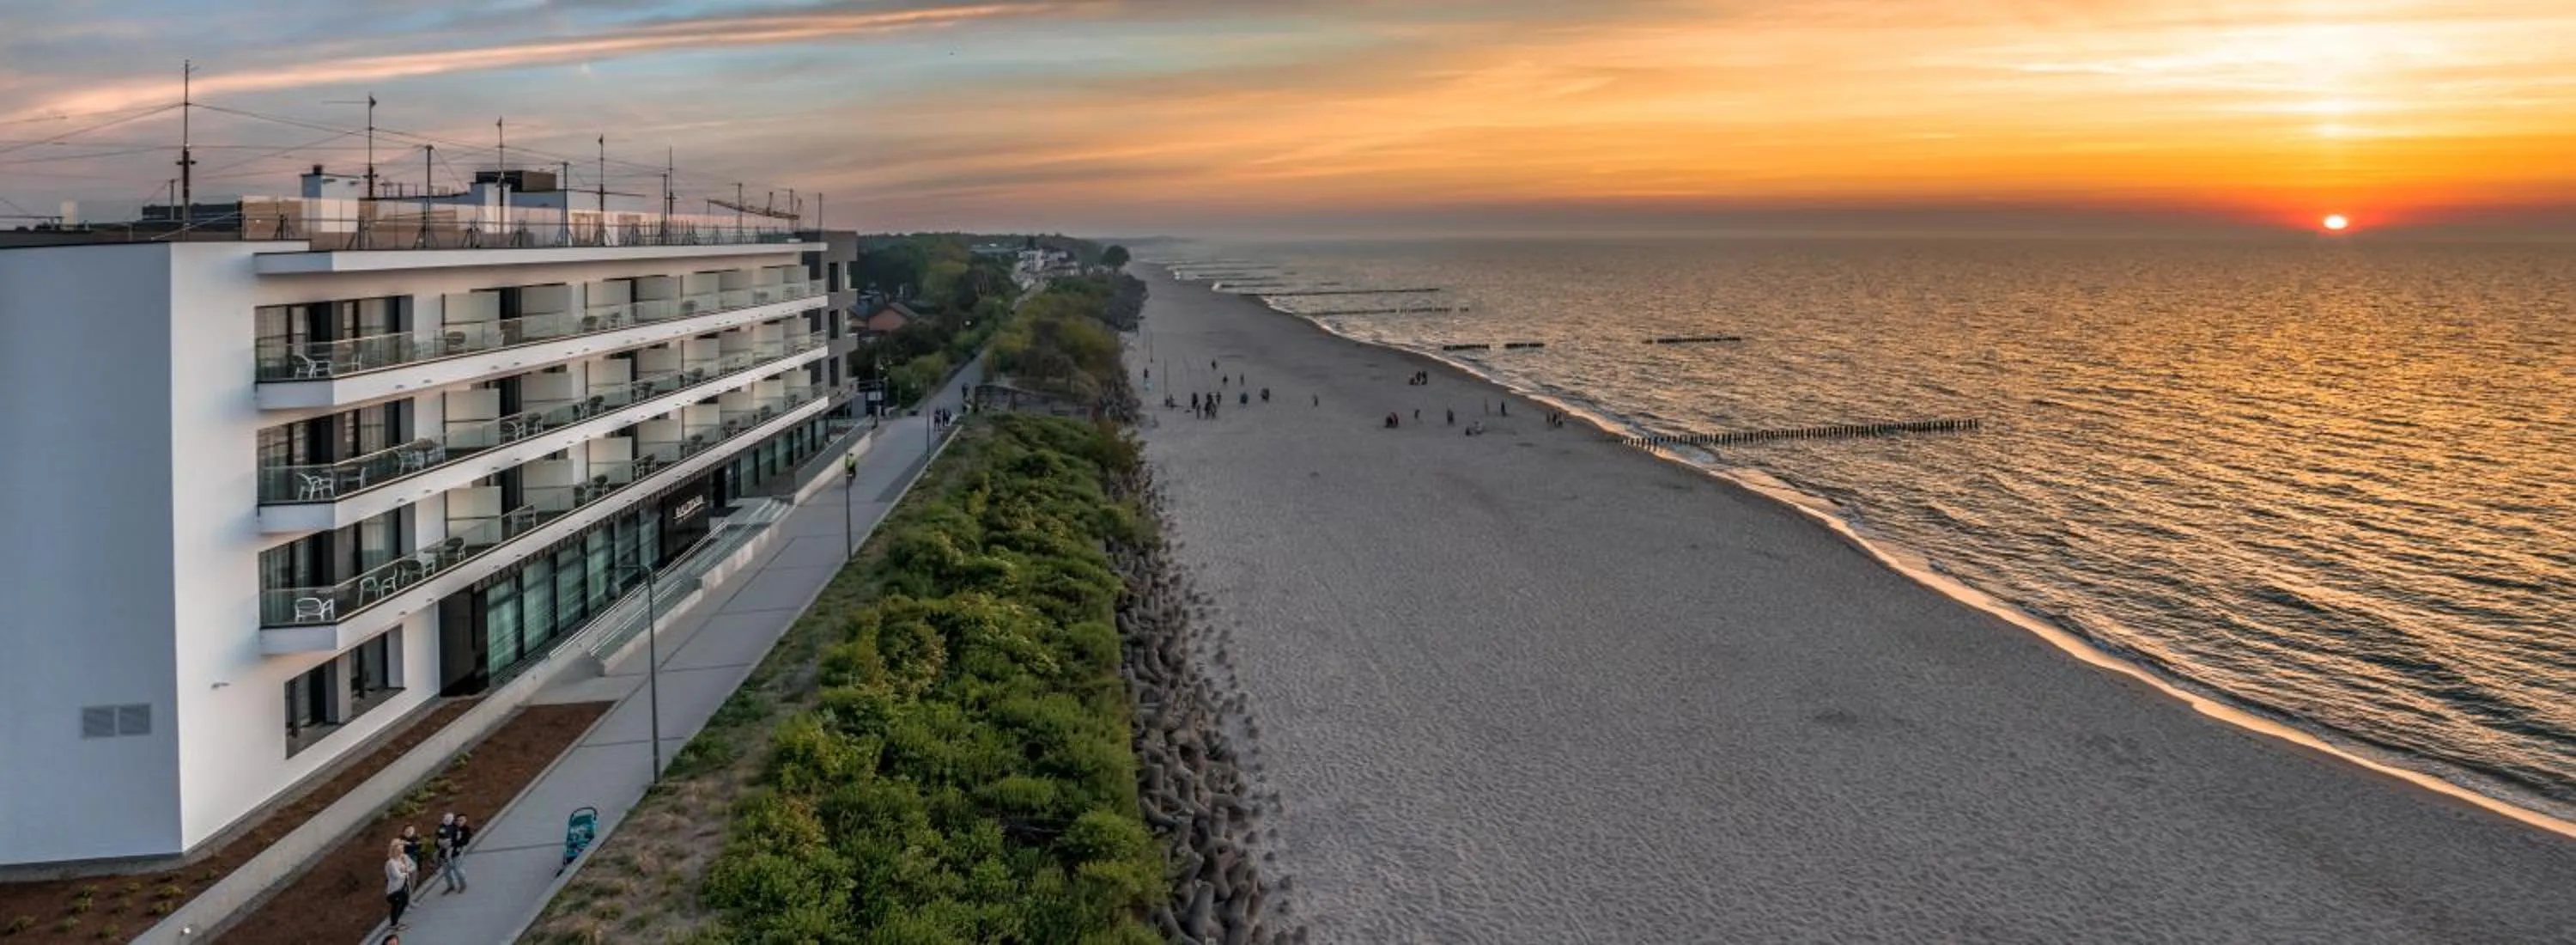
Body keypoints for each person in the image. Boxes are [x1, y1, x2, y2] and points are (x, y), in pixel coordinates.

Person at [438, 814, 475, 893]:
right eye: (458, 820)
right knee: (446, 872)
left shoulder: (466, 830)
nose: (459, 822)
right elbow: (439, 837)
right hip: (444, 853)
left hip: (456, 853)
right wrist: (440, 843)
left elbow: (465, 841)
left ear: (465, 821)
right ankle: (451, 886)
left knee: (457, 870)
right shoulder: (449, 827)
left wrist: (452, 843)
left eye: (462, 820)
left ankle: (463, 885)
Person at [385, 838, 416, 931]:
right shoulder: (391, 863)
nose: (401, 852)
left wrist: (407, 870)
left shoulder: (403, 858)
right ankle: (394, 924)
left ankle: (395, 921)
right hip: (394, 890)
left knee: (404, 902)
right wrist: (405, 872)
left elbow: (412, 866)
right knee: (396, 905)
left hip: (402, 887)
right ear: (394, 850)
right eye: (399, 850)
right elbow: (396, 876)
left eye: (402, 849)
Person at [399, 826, 425, 893]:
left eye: (411, 830)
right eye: (407, 830)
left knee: (414, 873)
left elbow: (419, 845)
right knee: (407, 875)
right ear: (404, 832)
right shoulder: (401, 839)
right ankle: (409, 889)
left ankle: (413, 887)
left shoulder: (416, 838)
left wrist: (409, 844)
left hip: (414, 858)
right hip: (405, 859)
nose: (409, 832)